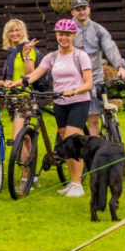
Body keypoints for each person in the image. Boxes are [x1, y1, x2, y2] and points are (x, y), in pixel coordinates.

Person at [22, 20, 95, 198]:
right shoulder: (51, 57)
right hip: (60, 103)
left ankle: (78, 185)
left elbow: (89, 84)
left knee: (71, 140)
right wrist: (14, 83)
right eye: (60, 34)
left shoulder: (80, 56)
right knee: (65, 142)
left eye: (67, 34)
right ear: (56, 35)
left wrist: (74, 90)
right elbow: (32, 76)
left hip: (79, 101)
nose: (64, 37)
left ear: (73, 36)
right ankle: (72, 182)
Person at [70, 0, 125, 137]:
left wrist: (120, 67)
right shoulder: (68, 29)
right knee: (72, 120)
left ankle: (93, 150)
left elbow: (110, 48)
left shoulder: (98, 29)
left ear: (89, 9)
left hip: (94, 79)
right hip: (73, 79)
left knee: (93, 119)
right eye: (78, 10)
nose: (81, 12)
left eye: (84, 9)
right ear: (73, 12)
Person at [0, 19, 38, 142]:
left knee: (17, 137)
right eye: (11, 31)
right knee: (23, 136)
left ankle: (22, 159)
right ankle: (27, 160)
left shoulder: (28, 49)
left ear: (23, 32)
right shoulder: (12, 53)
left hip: (24, 96)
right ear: (6, 34)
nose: (14, 33)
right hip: (11, 96)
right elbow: (8, 80)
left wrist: (26, 55)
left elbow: (30, 75)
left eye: (17, 30)